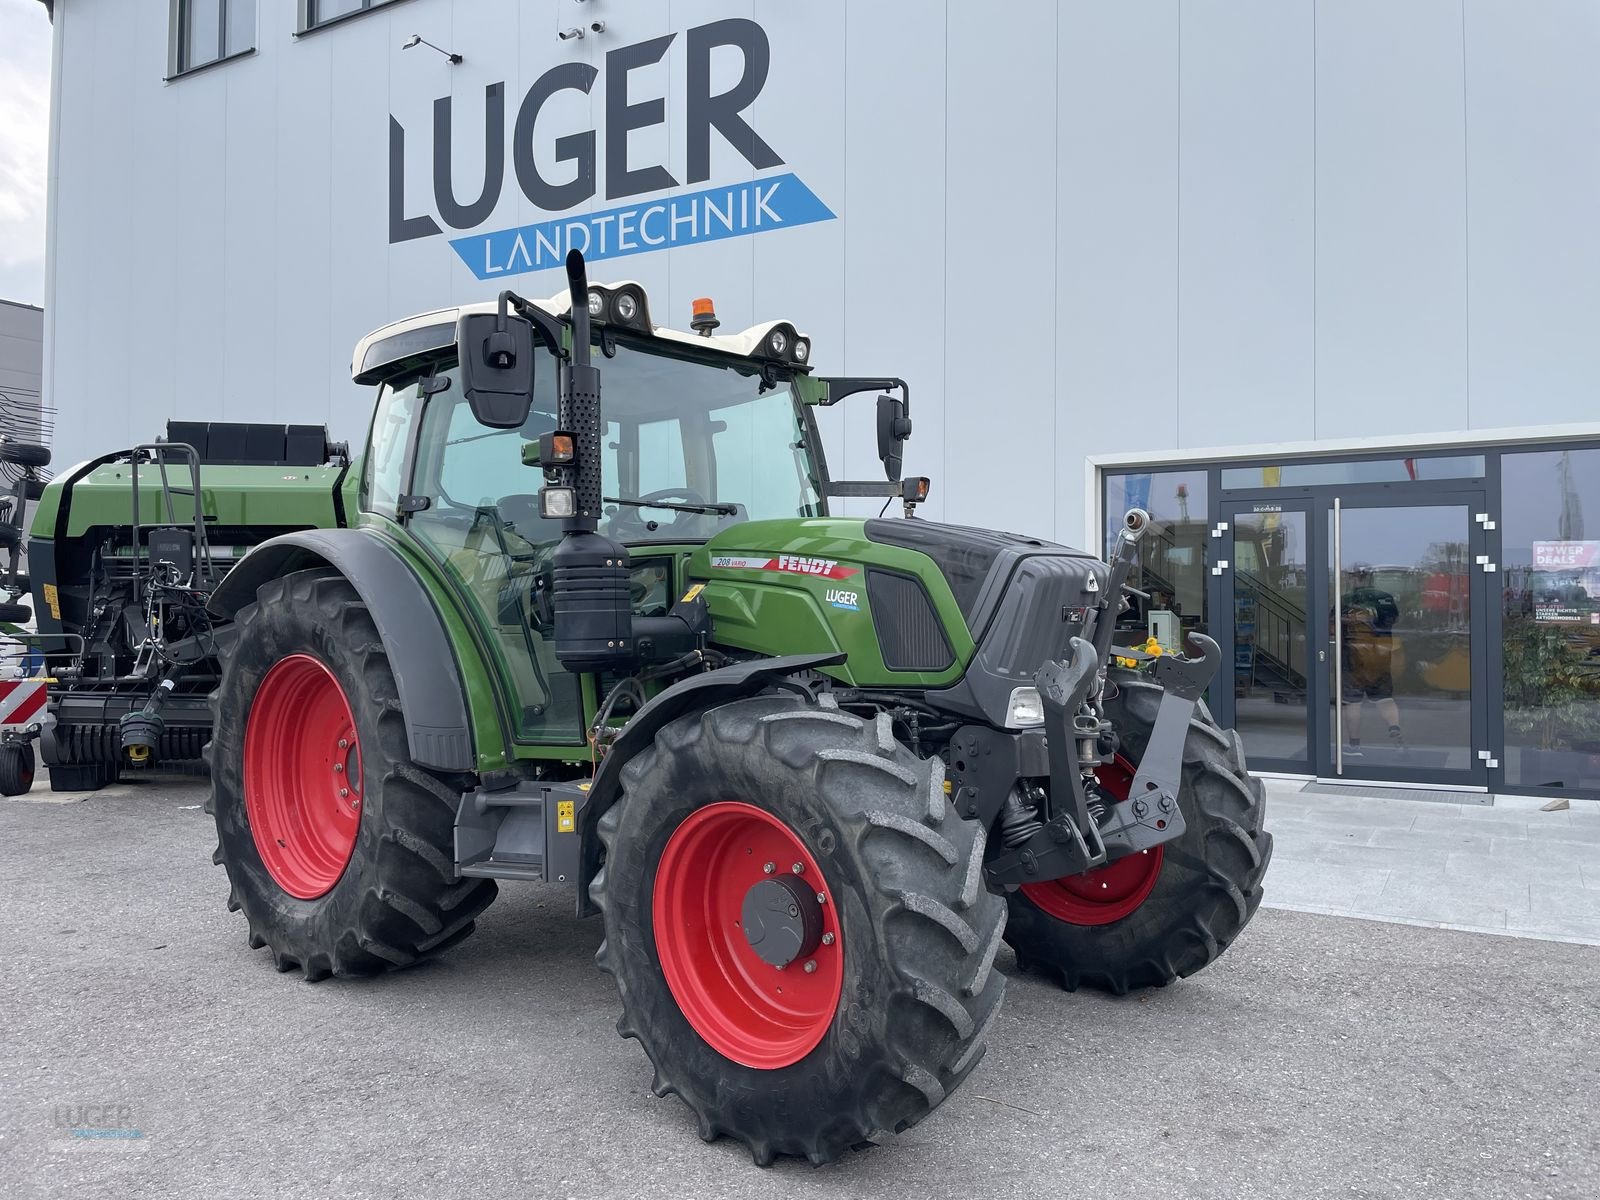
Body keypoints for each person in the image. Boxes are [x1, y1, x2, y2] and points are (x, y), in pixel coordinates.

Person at [1341, 566, 1403, 752]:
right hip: (1380, 657)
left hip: (1353, 658)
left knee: (1353, 702)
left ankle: (1354, 746)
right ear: (1370, 578)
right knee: (1385, 698)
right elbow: (1393, 620)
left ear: (1353, 579)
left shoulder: (1346, 600)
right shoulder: (1385, 598)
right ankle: (1395, 730)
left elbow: (1333, 627)